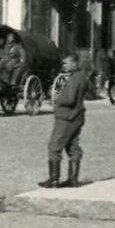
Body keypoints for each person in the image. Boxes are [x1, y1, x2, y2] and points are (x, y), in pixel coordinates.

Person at [39, 53, 88, 189]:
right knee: (73, 147)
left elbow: (70, 98)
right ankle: (73, 179)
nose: (64, 65)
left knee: (54, 147)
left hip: (66, 117)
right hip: (77, 116)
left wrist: (57, 99)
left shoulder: (73, 79)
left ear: (75, 64)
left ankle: (54, 180)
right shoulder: (82, 77)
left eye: (66, 63)